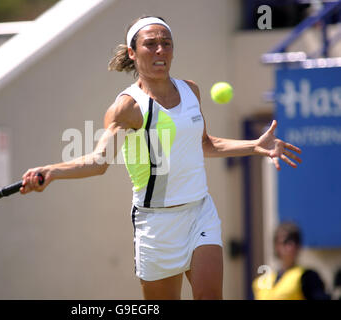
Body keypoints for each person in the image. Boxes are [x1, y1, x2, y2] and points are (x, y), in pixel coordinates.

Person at [20, 16, 302, 300]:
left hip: (199, 212)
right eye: (150, 44)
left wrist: (255, 145)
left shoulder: (191, 91)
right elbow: (99, 161)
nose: (160, 51)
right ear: (132, 53)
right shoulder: (127, 107)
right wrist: (51, 171)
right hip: (156, 224)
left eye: (166, 44)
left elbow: (205, 144)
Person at [252, 222, 331, 300]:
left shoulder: (307, 277)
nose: (291, 246)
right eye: (286, 242)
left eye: (295, 241)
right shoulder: (262, 281)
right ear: (276, 246)